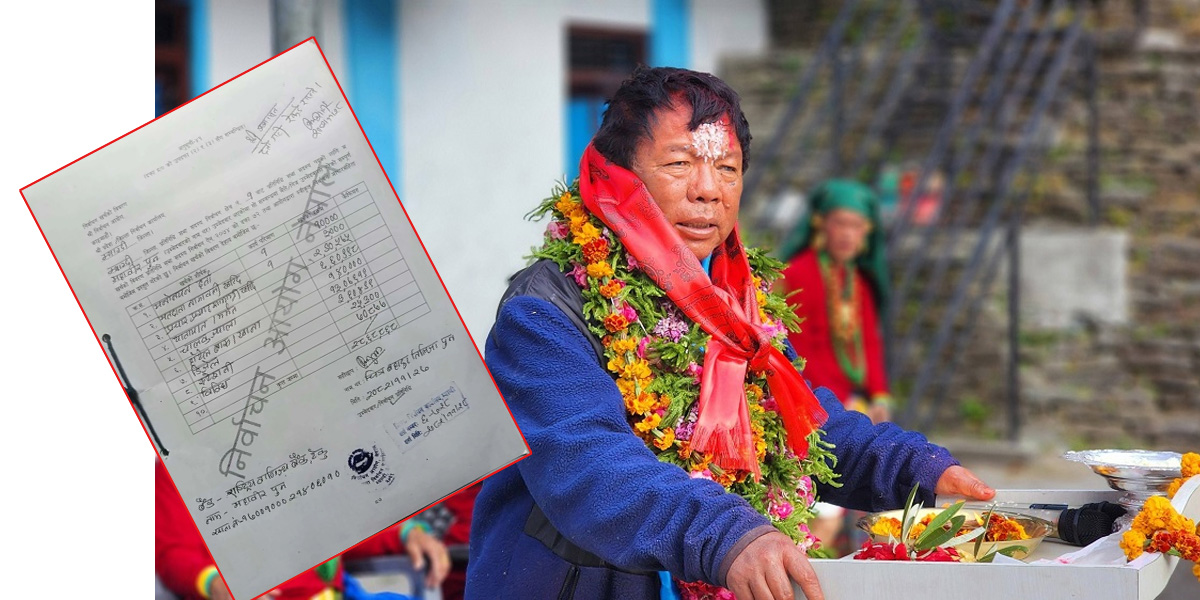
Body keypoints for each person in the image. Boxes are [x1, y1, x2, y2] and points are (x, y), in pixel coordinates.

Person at [468, 66, 995, 600]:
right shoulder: (545, 310)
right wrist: (728, 536)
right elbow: (589, 466)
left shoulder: (737, 305)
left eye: (727, 168)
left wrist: (919, 471)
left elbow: (804, 426)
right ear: (620, 177)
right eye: (679, 164)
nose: (708, 192)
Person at [155, 459, 449, 600]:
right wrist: (214, 583)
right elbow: (173, 553)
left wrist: (407, 533)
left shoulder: (296, 450)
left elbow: (343, 524)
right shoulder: (177, 467)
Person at [775, 179, 892, 425]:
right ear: (821, 224)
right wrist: (841, 402)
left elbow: (869, 342)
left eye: (857, 226)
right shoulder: (798, 273)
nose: (848, 234)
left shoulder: (858, 281)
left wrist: (880, 396)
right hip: (816, 398)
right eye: (841, 223)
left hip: (856, 400)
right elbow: (799, 346)